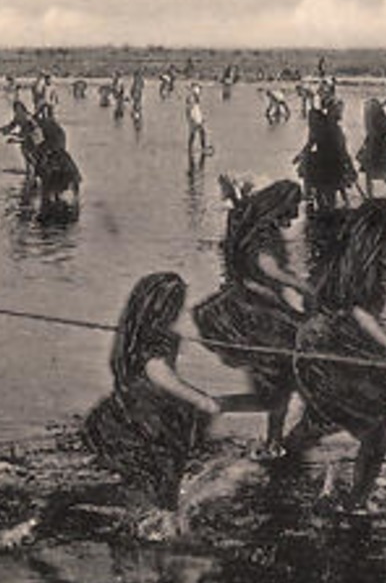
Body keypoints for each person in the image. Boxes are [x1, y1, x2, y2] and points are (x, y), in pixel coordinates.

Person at [284, 200, 386, 513]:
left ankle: (276, 468)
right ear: (380, 234)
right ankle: (356, 502)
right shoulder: (361, 269)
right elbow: (358, 312)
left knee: (319, 419)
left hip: (317, 345)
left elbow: (321, 307)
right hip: (332, 351)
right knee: (377, 430)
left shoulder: (336, 261)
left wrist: (384, 344)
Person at [82, 273, 221, 532]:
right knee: (165, 466)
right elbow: (157, 371)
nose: (182, 309)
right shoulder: (159, 337)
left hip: (122, 410)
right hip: (148, 417)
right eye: (177, 304)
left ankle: (149, 517)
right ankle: (165, 525)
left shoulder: (132, 331)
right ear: (165, 307)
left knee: (146, 472)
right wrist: (201, 399)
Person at [193, 179, 310, 459]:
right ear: (279, 205)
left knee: (279, 385)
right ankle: (213, 408)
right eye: (293, 207)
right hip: (256, 316)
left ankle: (271, 441)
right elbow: (265, 267)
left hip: (251, 308)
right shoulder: (263, 234)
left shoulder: (253, 227)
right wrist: (302, 286)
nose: (295, 215)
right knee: (278, 386)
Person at [294, 99, 355, 212]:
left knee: (323, 193)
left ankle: (319, 212)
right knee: (329, 194)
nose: (341, 113)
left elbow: (311, 142)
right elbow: (343, 151)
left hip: (323, 164)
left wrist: (301, 156)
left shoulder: (324, 126)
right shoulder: (334, 129)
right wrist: (350, 167)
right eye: (339, 111)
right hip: (330, 165)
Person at [356, 98, 386, 199]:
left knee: (374, 175)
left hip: (377, 150)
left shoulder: (378, 120)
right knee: (380, 176)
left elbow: (377, 135)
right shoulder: (381, 119)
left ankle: (372, 196)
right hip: (376, 150)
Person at [185, 83, 210, 156]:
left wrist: (201, 118)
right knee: (199, 132)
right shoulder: (191, 98)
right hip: (194, 119)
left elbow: (196, 109)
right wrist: (193, 119)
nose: (200, 93)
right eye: (199, 90)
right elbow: (190, 110)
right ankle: (199, 148)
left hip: (195, 118)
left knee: (197, 133)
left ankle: (192, 148)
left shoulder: (194, 98)